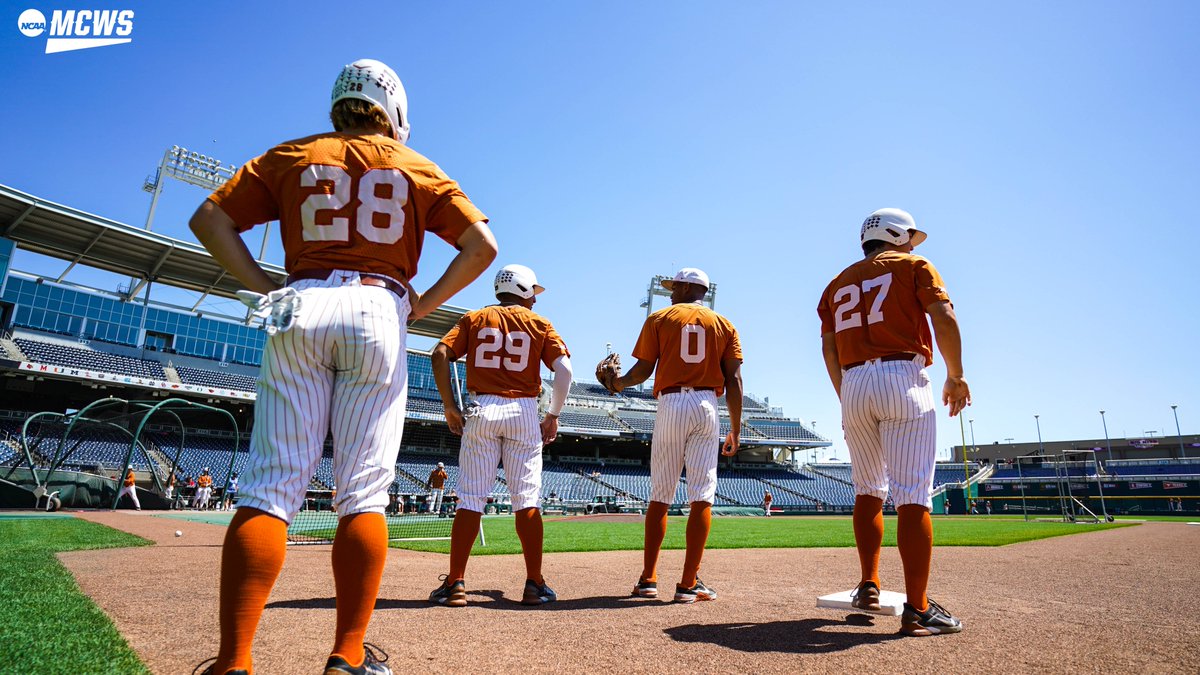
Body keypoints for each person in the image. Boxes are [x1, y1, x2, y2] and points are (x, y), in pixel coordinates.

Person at [188, 58, 497, 675]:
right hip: (379, 307)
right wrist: (419, 305)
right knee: (364, 493)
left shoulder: (292, 153)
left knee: (270, 489)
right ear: (396, 114)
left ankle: (234, 661)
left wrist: (263, 286)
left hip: (301, 301)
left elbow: (208, 218)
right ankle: (347, 654)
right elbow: (481, 247)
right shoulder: (416, 165)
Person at [817, 208, 970, 636]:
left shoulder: (837, 283)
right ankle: (918, 608)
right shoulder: (914, 265)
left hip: (853, 381)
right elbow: (943, 317)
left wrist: (846, 393)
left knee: (867, 489)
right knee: (912, 495)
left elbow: (829, 350)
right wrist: (955, 375)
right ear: (897, 235)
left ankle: (868, 584)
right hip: (902, 376)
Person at [427, 264, 572, 607]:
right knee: (527, 499)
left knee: (471, 498)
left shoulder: (475, 318)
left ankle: (456, 583)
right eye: (532, 294)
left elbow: (439, 354)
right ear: (523, 289)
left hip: (482, 409)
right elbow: (564, 369)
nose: (534, 301)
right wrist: (552, 415)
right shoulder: (540, 324)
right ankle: (534, 584)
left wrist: (450, 406)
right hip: (523, 410)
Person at [607, 267, 743, 603]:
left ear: (685, 287)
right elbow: (735, 381)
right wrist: (736, 430)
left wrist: (617, 383)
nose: (669, 292)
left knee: (660, 495)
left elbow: (642, 371)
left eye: (673, 286)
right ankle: (687, 583)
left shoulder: (660, 318)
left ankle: (649, 579)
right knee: (702, 495)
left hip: (670, 403)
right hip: (707, 403)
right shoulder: (725, 324)